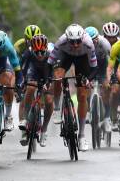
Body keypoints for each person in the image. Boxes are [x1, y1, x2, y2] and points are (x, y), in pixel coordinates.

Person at [48, 24, 100, 152]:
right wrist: (49, 79)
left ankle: (82, 136)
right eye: (72, 42)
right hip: (65, 56)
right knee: (58, 77)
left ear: (82, 38)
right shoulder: (61, 42)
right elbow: (49, 63)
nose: (76, 45)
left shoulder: (88, 44)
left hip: (82, 59)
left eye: (78, 41)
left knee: (82, 95)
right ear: (67, 39)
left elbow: (94, 68)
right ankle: (56, 107)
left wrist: (88, 80)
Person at [19, 34, 53, 147]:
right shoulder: (28, 53)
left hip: (47, 72)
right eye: (36, 52)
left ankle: (44, 129)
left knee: (49, 100)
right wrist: (22, 82)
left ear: (46, 49)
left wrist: (49, 83)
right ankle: (25, 118)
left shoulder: (51, 54)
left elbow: (54, 72)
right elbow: (22, 70)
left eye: (42, 52)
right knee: (30, 87)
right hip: (33, 72)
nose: (39, 55)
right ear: (32, 49)